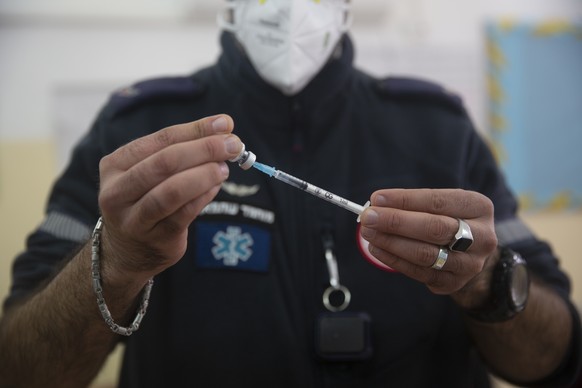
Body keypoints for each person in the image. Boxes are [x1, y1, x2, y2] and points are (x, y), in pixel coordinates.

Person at [0, 1, 580, 387]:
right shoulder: (137, 131)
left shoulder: (441, 130)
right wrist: (119, 262)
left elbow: (558, 361)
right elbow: (21, 369)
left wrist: (486, 282)